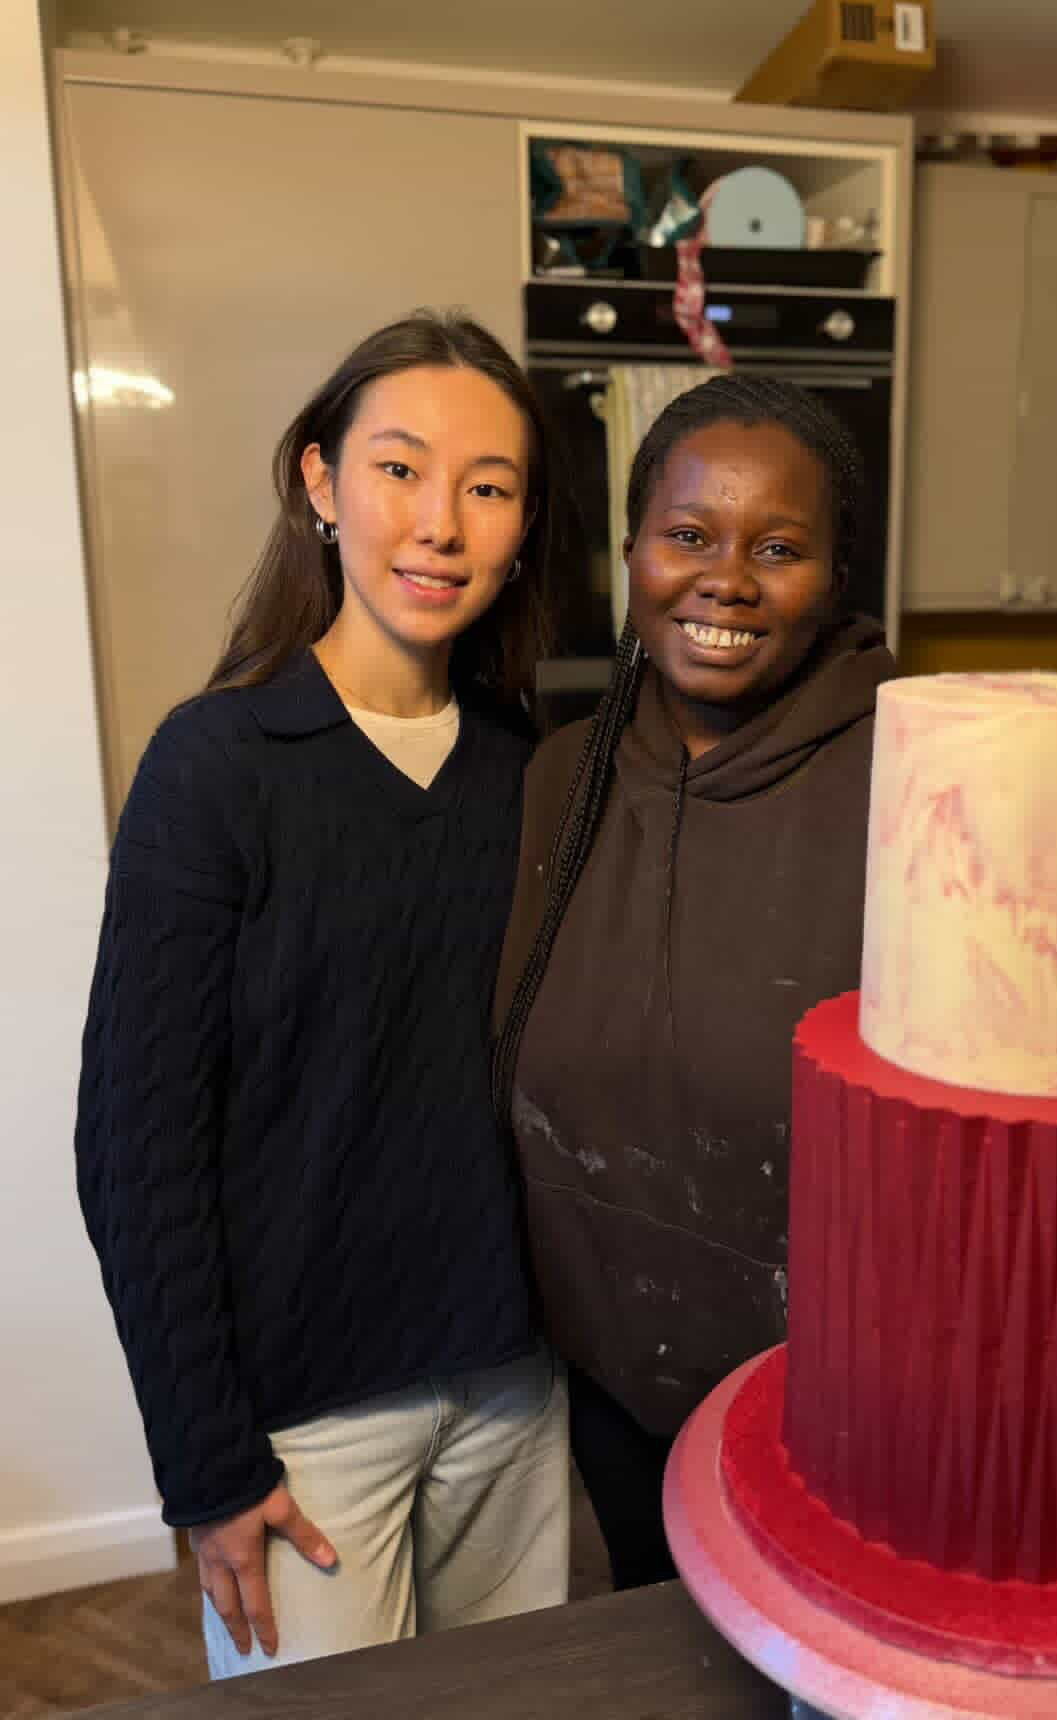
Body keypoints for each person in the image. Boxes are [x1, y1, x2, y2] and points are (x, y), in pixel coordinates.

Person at [76, 311, 570, 1677]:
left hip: (509, 1390)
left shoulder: (529, 779)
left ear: (524, 525)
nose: (440, 524)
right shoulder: (218, 765)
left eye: (488, 486)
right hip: (304, 1419)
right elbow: (133, 1146)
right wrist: (206, 1462)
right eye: (399, 469)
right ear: (318, 483)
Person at [493, 374, 898, 1590]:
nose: (725, 577)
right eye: (686, 535)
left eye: (777, 547)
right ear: (631, 554)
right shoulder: (563, 776)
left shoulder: (921, 776)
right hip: (613, 1374)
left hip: (837, 1400)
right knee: (663, 1654)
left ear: (833, 578)